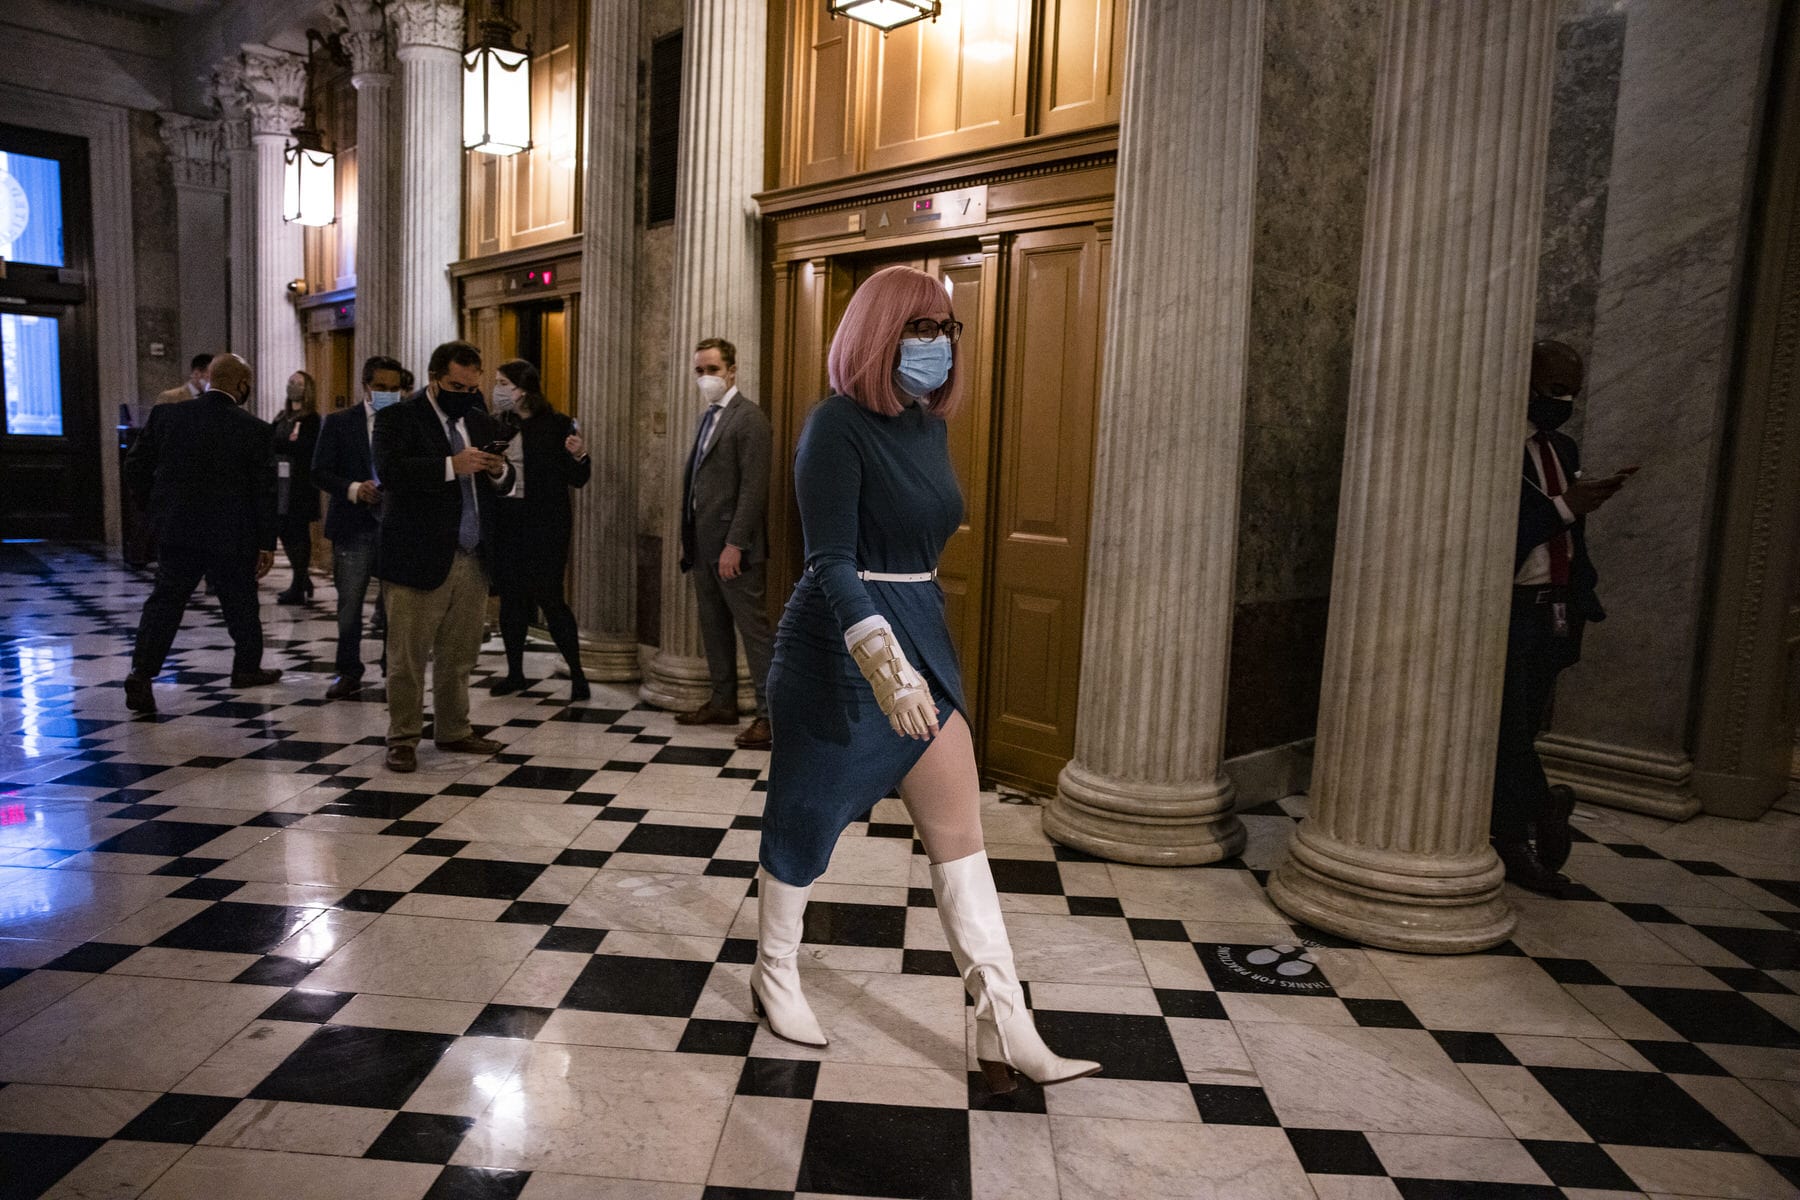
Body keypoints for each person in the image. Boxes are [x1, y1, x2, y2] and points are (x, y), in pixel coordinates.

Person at [753, 266, 1099, 1092]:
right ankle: (774, 973)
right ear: (879, 335)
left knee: (961, 839)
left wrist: (915, 664)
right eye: (920, 329)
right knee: (808, 813)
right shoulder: (833, 425)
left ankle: (1003, 1026)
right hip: (838, 645)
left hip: (920, 632)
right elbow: (831, 560)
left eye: (947, 329)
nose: (937, 345)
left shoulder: (926, 429)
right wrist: (884, 666)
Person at [1492, 339, 1632, 896]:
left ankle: (1522, 821)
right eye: (1554, 389)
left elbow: (1573, 537)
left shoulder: (1563, 448)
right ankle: (1535, 814)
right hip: (1509, 607)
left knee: (1523, 726)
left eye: (1572, 390)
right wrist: (1568, 505)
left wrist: (1582, 598)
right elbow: (1495, 538)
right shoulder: (1499, 450)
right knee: (1504, 728)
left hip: (1555, 606)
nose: (1565, 400)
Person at [373, 340, 515, 773]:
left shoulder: (477, 418)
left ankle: (453, 729)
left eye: (472, 387)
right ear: (435, 378)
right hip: (417, 556)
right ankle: (403, 738)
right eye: (456, 385)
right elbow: (391, 473)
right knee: (408, 657)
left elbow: (504, 484)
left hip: (472, 557)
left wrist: (497, 471)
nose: (465, 394)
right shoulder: (398, 417)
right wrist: (451, 465)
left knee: (459, 655)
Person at [121, 353, 281, 712]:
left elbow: (135, 466)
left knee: (165, 602)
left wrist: (156, 508)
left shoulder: (168, 416)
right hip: (231, 534)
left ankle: (141, 674)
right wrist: (266, 542)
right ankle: (246, 668)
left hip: (178, 530)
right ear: (242, 385)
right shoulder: (254, 429)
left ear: (209, 378)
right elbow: (264, 491)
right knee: (241, 602)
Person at [676, 337, 775, 749]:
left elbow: (753, 490)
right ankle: (722, 701)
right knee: (712, 626)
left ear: (732, 371)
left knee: (753, 632)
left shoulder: (748, 418)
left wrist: (735, 544)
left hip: (734, 548)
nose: (705, 378)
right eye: (699, 371)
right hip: (702, 543)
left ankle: (770, 717)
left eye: (712, 370)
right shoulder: (709, 417)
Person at [487, 358, 594, 701]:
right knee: (511, 600)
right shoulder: (495, 425)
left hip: (546, 525)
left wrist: (580, 456)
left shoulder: (557, 424)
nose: (498, 389)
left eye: (503, 383)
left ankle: (578, 674)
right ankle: (515, 672)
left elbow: (577, 479)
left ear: (523, 389)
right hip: (507, 523)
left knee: (551, 598)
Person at [313, 355, 404, 699]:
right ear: (366, 385)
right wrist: (354, 488)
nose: (388, 394)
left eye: (395, 389)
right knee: (350, 602)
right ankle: (348, 670)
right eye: (381, 387)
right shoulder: (339, 423)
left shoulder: (406, 423)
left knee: (397, 604)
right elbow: (319, 471)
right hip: (353, 525)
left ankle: (392, 666)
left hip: (395, 526)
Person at [271, 371, 322, 604]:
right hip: (280, 482)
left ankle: (299, 582)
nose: (293, 386)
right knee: (283, 529)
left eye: (298, 383)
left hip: (299, 484)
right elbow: (270, 440)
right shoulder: (283, 415)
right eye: (291, 381)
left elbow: (305, 448)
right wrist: (285, 444)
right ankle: (302, 578)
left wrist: (285, 445)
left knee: (297, 532)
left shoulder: (311, 419)